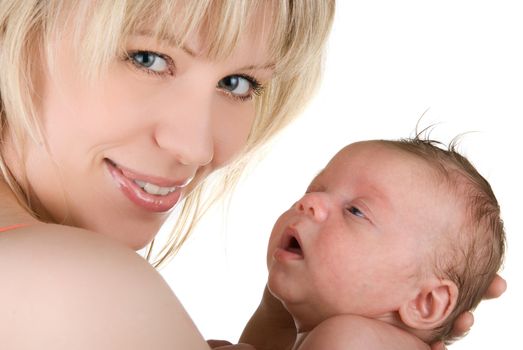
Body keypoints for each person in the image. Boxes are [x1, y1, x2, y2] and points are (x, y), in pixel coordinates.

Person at [0, 1, 504, 349]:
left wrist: (282, 321)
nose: (196, 147)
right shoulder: (68, 283)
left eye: (238, 83)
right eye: (147, 58)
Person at [265, 138, 505, 350]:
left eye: (355, 211)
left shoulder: (346, 339)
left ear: (425, 301)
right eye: (313, 189)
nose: (309, 202)